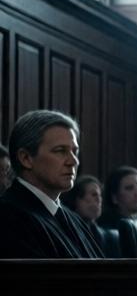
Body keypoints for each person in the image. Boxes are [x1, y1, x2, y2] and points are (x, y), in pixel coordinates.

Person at [0, 110, 103, 258]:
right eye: (60, 151)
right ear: (26, 158)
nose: (73, 161)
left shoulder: (73, 218)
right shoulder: (8, 217)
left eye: (75, 151)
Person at [66, 175, 120, 257]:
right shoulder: (68, 234)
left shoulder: (107, 236)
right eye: (94, 194)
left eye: (100, 195)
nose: (99, 199)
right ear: (76, 200)